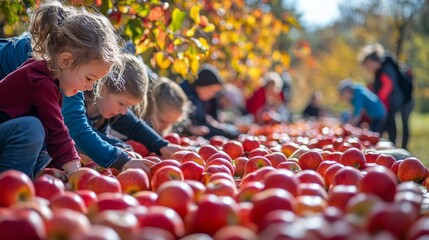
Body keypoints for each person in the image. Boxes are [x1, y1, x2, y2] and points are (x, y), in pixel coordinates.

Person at [0, 2, 122, 178]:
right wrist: (75, 172)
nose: (88, 87)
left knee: (43, 131)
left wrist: (58, 171)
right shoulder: (40, 81)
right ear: (65, 60)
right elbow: (59, 133)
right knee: (32, 129)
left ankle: (29, 178)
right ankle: (12, 185)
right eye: (89, 78)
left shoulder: (52, 82)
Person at [358, 43, 413, 148]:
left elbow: (388, 85)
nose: (368, 68)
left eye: (367, 65)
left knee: (400, 122)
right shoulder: (380, 70)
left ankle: (400, 147)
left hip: (403, 99)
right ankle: (395, 145)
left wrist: (378, 101)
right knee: (393, 121)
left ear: (371, 61)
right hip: (396, 99)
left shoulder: (386, 68)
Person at [180, 64, 239, 139]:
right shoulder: (184, 95)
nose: (213, 95)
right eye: (213, 91)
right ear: (204, 85)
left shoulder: (198, 98)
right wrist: (189, 128)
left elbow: (204, 120)